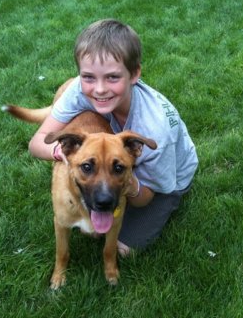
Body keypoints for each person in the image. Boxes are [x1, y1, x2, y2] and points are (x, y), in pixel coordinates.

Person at [29, 19, 198, 256]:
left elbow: (142, 198)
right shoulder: (80, 89)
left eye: (112, 77)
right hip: (113, 156)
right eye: (88, 77)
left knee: (122, 247)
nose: (99, 90)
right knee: (97, 222)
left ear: (134, 73)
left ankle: (165, 197)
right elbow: (37, 143)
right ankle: (108, 170)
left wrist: (127, 181)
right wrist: (67, 155)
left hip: (166, 176)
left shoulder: (156, 131)